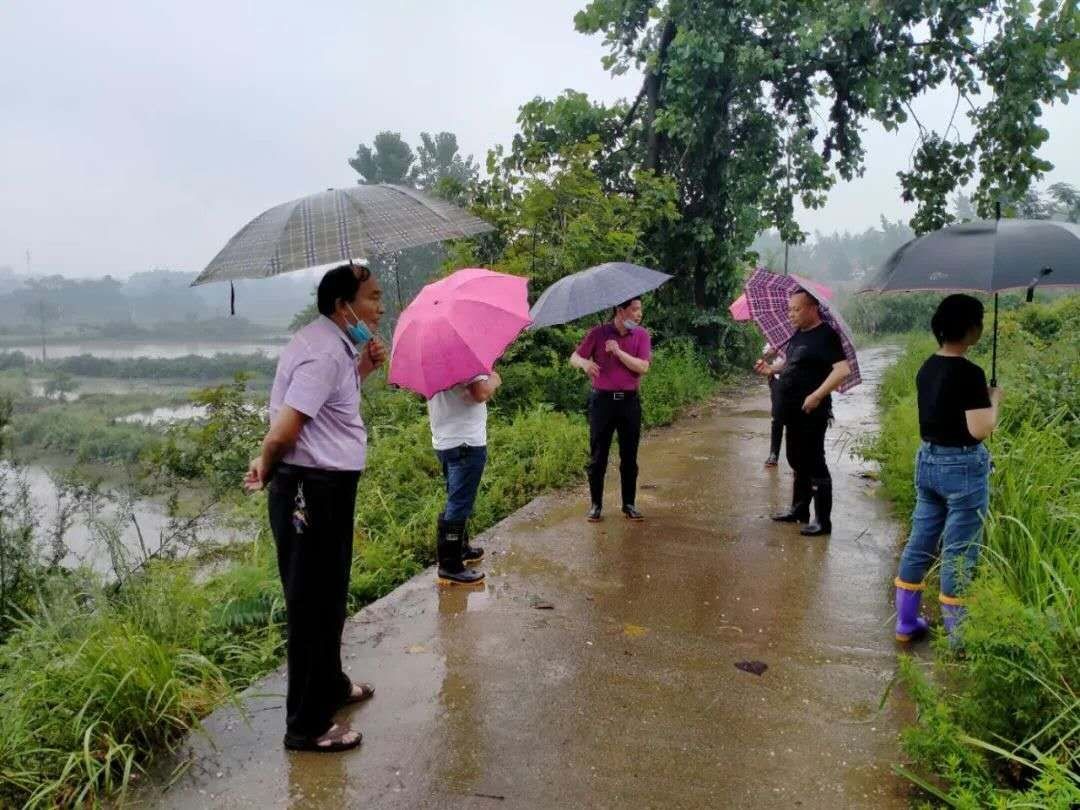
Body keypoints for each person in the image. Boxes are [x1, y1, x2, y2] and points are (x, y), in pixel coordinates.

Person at [243, 261, 386, 753]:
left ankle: (329, 684)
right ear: (343, 305)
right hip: (310, 489)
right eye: (372, 296)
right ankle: (305, 725)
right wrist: (264, 464)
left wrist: (363, 368)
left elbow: (329, 408)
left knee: (330, 594)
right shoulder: (324, 352)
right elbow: (285, 431)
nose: (380, 307)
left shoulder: (335, 348)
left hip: (329, 487)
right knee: (311, 604)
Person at [894, 294, 1001, 645]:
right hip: (963, 469)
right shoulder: (970, 372)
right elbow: (980, 429)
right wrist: (993, 400)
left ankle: (907, 624)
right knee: (960, 550)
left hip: (928, 461)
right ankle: (960, 639)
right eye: (980, 321)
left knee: (920, 542)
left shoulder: (928, 367)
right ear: (971, 328)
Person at [755, 290, 850, 536]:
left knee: (814, 460)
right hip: (792, 409)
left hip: (812, 410)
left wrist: (817, 395)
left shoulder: (827, 335)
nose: (790, 315)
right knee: (796, 458)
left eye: (795, 309)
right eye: (789, 310)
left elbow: (841, 370)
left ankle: (822, 520)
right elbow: (791, 362)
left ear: (811, 308)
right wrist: (770, 369)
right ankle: (799, 509)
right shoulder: (798, 334)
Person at [570, 297, 652, 522]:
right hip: (602, 403)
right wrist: (585, 364)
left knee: (629, 456)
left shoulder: (641, 335)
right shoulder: (597, 333)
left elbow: (643, 367)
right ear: (620, 311)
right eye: (634, 310)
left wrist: (618, 352)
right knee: (598, 456)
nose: (638, 314)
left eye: (639, 310)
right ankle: (596, 505)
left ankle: (629, 504)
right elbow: (574, 357)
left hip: (629, 402)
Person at [428, 370, 502, 585]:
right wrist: (495, 380)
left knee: (456, 496)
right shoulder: (468, 360)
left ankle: (461, 549)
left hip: (444, 440)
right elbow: (480, 393)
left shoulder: (433, 359)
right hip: (466, 442)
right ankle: (450, 565)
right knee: (459, 503)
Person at [763, 342, 784, 467]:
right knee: (777, 417)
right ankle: (774, 454)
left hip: (798, 382)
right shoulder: (779, 337)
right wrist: (772, 351)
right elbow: (766, 354)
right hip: (777, 381)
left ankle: (798, 462)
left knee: (797, 422)